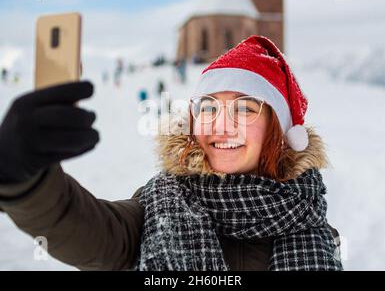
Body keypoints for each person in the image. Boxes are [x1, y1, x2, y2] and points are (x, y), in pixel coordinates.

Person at [0, 35, 342, 271]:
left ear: (279, 132)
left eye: (245, 108)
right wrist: (26, 179)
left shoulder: (311, 228)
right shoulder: (159, 207)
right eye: (208, 108)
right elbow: (91, 234)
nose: (222, 126)